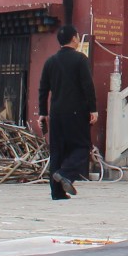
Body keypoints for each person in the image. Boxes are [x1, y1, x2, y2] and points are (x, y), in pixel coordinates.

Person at [36, 25, 97, 201]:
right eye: (77, 37)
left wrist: (42, 112)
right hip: (77, 112)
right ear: (74, 39)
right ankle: (65, 173)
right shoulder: (80, 60)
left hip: (56, 113)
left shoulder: (50, 61)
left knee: (57, 151)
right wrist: (93, 109)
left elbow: (43, 89)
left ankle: (57, 192)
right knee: (82, 147)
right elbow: (88, 86)